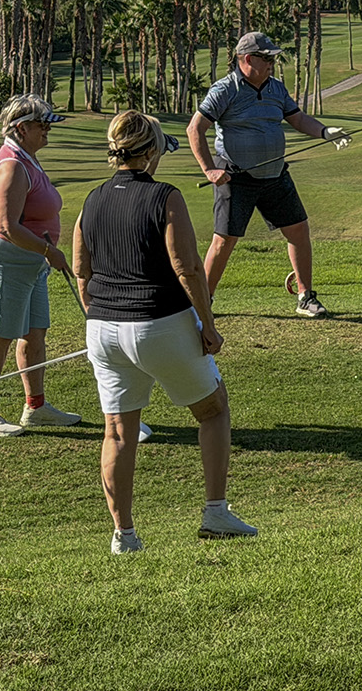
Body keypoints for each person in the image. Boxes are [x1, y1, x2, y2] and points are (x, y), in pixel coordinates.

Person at [73, 110, 257, 554]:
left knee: (118, 431)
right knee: (213, 410)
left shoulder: (91, 199)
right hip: (159, 324)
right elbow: (188, 268)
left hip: (103, 329)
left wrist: (97, 318)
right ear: (151, 151)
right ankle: (215, 512)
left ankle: (124, 536)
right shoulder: (165, 197)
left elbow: (81, 269)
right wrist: (207, 326)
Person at [187, 31, 350, 318]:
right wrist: (210, 169)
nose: (272, 63)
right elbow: (195, 129)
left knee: (298, 230)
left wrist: (324, 132)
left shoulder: (276, 88)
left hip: (275, 175)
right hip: (236, 177)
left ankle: (306, 298)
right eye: (267, 58)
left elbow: (297, 118)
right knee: (224, 240)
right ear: (247, 59)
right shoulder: (225, 90)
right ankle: (202, 304)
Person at [0, 94, 83, 437]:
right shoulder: (12, 166)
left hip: (29, 260)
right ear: (21, 128)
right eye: (41, 125)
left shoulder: (26, 158)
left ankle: (35, 407)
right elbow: (6, 226)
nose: (47, 130)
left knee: (34, 331)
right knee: (1, 332)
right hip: (9, 257)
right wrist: (49, 251)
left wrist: (43, 252)